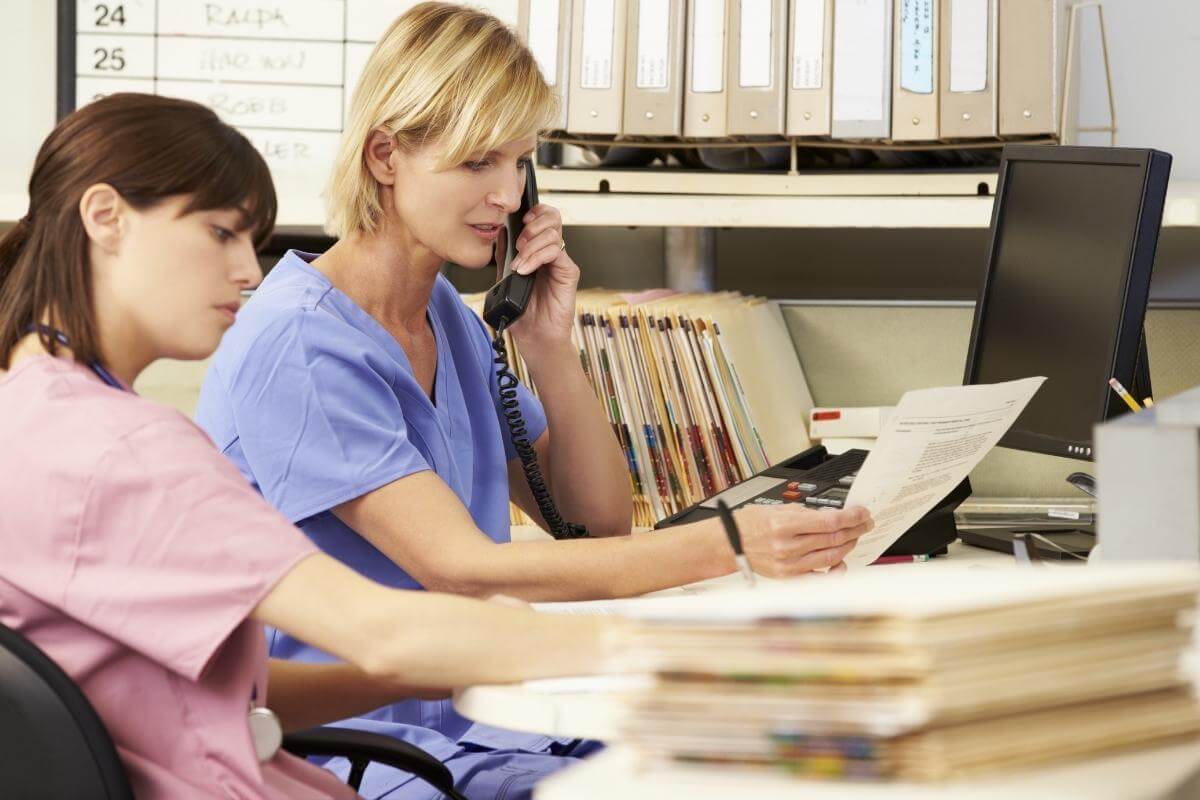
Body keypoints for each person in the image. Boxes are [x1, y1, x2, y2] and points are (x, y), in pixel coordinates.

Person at [195, 3, 874, 797]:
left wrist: (551, 345)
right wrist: (730, 539)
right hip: (359, 749)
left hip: (485, 714)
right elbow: (465, 570)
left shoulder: (447, 314)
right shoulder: (304, 346)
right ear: (386, 155)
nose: (509, 196)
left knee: (775, 758)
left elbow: (593, 521)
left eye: (522, 163)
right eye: (480, 162)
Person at [0, 92, 621, 800]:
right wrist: (672, 653)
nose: (249, 272)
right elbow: (379, 631)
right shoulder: (132, 450)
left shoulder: (28, 414)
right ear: (105, 217)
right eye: (220, 233)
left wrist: (437, 667)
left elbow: (221, 697)